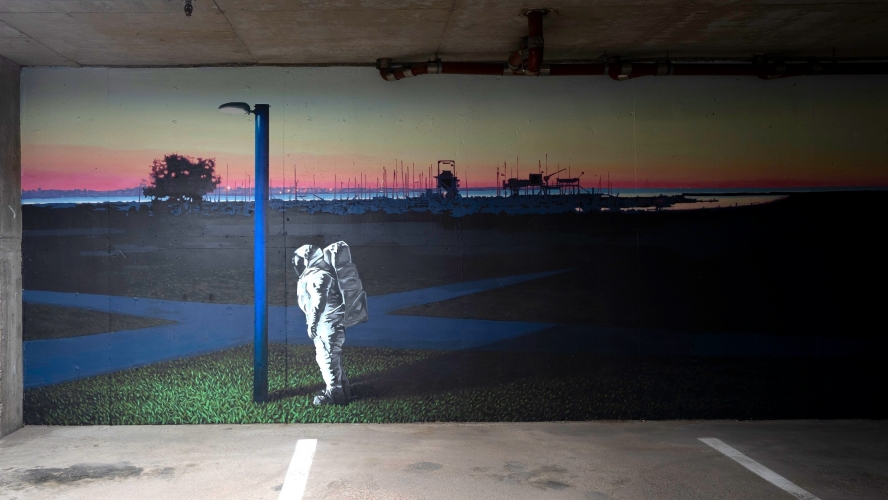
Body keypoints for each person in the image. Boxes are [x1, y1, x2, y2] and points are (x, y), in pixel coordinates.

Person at [294, 244, 350, 406]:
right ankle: (342, 390)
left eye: (299, 260)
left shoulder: (320, 275)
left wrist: (312, 323)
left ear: (308, 259)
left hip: (326, 323)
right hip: (328, 322)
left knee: (326, 357)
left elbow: (319, 302)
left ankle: (334, 394)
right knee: (331, 356)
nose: (297, 264)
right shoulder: (318, 273)